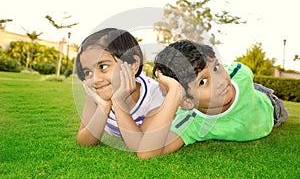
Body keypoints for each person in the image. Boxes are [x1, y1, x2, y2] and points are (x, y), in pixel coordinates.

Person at [117, 39, 288, 159]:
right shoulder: (192, 123)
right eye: (203, 82)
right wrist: (175, 93)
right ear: (188, 102)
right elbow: (146, 152)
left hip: (270, 107)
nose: (220, 81)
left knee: (261, 93)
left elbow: (230, 73)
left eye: (216, 68)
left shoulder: (240, 73)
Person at [75, 28, 165, 146]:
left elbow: (141, 145)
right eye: (88, 73)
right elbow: (84, 141)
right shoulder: (97, 94)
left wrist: (118, 102)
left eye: (103, 66)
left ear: (133, 65)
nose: (96, 79)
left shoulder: (156, 93)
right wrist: (104, 106)